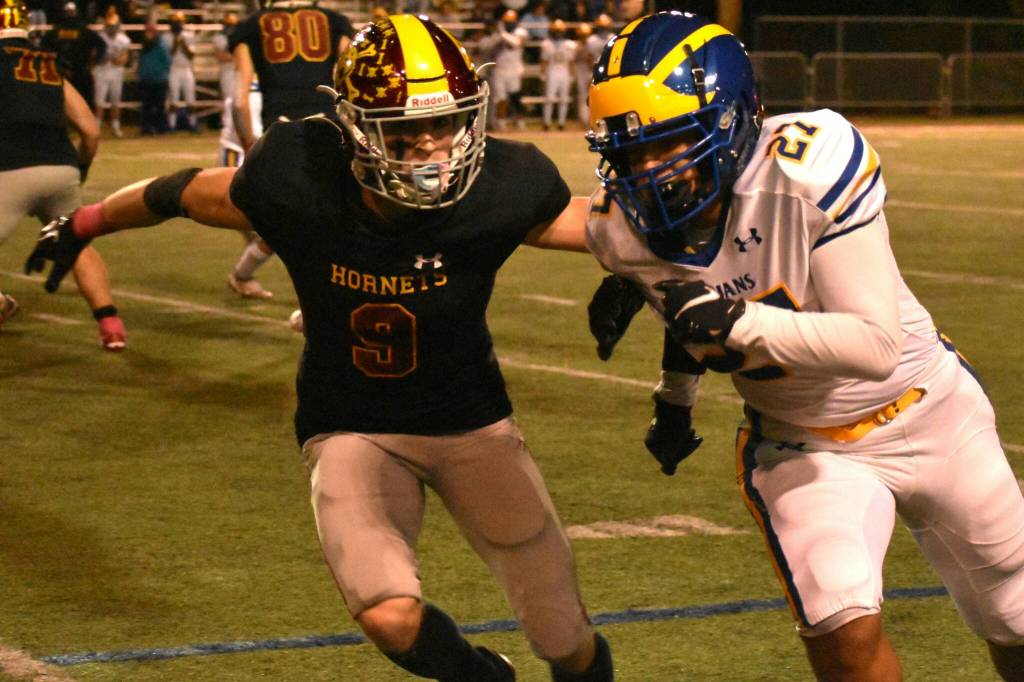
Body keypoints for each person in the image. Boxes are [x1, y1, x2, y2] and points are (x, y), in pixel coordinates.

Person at [25, 15, 615, 682]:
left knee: (564, 638)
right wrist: (84, 221)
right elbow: (181, 191)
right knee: (388, 616)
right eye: (405, 129)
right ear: (355, 128)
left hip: (473, 423)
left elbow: (607, 228)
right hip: (351, 425)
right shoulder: (299, 177)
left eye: (445, 123)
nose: (431, 147)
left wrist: (647, 267)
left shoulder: (504, 183)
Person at [582, 11, 1024, 681]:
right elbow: (689, 313)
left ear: (730, 120)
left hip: (928, 408)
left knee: (1015, 616)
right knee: (840, 624)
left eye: (666, 144)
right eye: (629, 152)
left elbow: (873, 344)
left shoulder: (804, 167)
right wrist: (674, 401)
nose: (648, 172)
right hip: (803, 445)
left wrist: (736, 323)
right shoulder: (620, 230)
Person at [0, 0, 126, 348]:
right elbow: (90, 130)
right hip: (61, 167)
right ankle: (111, 325)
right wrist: (80, 168)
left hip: (11, 169)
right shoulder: (47, 63)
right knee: (76, 243)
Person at [224, 0, 353, 300]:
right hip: (329, 129)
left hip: (280, 133)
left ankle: (242, 275)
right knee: (332, 218)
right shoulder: (334, 21)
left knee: (292, 218)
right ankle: (319, 303)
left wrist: (251, 145)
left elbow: (240, 101)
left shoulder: (251, 26)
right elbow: (351, 79)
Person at [42, 0, 104, 109]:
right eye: (68, 12)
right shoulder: (55, 32)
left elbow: (101, 45)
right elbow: (45, 48)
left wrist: (94, 62)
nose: (69, 15)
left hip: (80, 72)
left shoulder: (84, 31)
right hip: (61, 72)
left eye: (72, 12)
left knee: (84, 102)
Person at [92, 12, 130, 137]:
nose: (112, 29)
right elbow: (95, 57)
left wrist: (112, 58)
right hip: (101, 71)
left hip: (116, 72)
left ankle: (115, 126)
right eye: (110, 26)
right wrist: (104, 58)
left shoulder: (123, 39)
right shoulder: (100, 38)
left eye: (114, 26)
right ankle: (96, 127)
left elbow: (123, 59)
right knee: (99, 101)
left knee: (115, 101)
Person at [492, 8, 528, 130]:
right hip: (500, 68)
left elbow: (516, 43)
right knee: (500, 98)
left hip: (514, 69)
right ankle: (501, 122)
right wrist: (499, 34)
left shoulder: (520, 31)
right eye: (506, 21)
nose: (509, 23)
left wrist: (502, 33)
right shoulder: (499, 33)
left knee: (515, 97)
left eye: (511, 21)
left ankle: (520, 121)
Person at [161, 10, 196, 132]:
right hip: (173, 69)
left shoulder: (189, 35)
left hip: (186, 69)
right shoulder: (166, 37)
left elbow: (191, 55)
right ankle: (171, 124)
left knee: (190, 98)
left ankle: (192, 123)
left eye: (180, 21)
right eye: (176, 22)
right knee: (173, 98)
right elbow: (167, 56)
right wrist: (176, 44)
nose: (178, 24)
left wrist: (183, 44)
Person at [135, 20, 170, 135]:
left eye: (150, 32)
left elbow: (167, 62)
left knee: (160, 106)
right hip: (146, 80)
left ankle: (161, 128)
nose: (148, 34)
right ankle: (147, 128)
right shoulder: (144, 46)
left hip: (159, 80)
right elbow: (141, 62)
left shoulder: (161, 46)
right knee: (146, 106)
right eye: (147, 32)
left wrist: (159, 74)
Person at [539, 18, 574, 130]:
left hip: (564, 71)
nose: (558, 33)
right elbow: (544, 61)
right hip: (552, 71)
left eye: (560, 30)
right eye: (556, 30)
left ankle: (561, 123)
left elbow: (571, 61)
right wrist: (542, 74)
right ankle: (546, 122)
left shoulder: (569, 44)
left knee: (564, 98)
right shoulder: (546, 44)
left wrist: (572, 75)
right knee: (549, 98)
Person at [571, 22, 592, 127]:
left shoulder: (590, 44)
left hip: (588, 69)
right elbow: (573, 60)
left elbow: (591, 59)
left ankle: (590, 119)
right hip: (579, 68)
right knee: (582, 95)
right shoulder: (574, 45)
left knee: (590, 95)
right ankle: (583, 119)